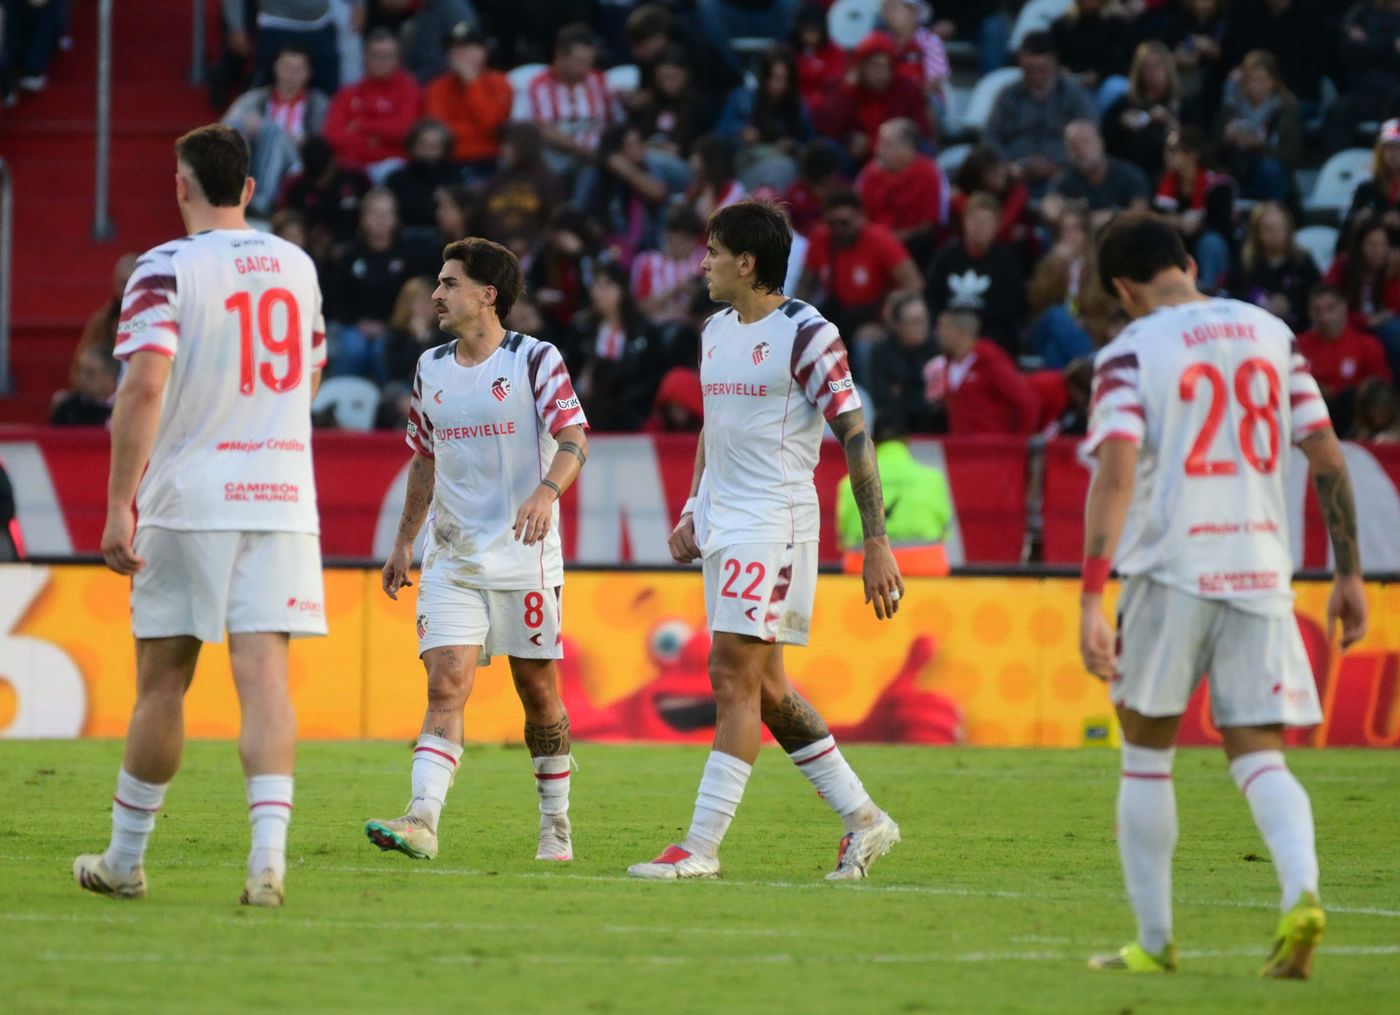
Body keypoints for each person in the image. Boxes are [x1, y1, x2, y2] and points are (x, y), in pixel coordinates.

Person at [1079, 212, 1367, 977]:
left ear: (1123, 287)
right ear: (1189, 264)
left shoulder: (1131, 349)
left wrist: (1089, 598)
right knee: (1259, 754)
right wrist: (1347, 573)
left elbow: (1116, 472)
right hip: (1262, 567)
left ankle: (1154, 940)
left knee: (1146, 751)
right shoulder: (1272, 333)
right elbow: (1329, 459)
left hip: (1170, 567)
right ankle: (1301, 893)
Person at [73, 124, 328, 907]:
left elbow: (144, 386)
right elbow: (311, 372)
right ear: (247, 188)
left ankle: (125, 859)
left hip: (192, 496)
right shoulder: (297, 265)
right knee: (266, 677)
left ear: (181, 185)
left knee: (163, 683)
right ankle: (267, 860)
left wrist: (120, 502)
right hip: (282, 495)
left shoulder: (165, 267)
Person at [628, 199, 904, 881]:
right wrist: (692, 507)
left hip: (774, 524)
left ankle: (700, 846)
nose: (703, 264)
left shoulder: (808, 333)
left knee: (730, 675)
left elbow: (855, 433)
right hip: (725, 524)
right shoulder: (715, 331)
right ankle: (865, 819)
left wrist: (876, 540)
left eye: (713, 252)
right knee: (770, 690)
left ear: (747, 263)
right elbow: (713, 425)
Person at [368, 237, 589, 865]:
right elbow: (424, 458)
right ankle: (422, 818)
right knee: (446, 683)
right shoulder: (430, 367)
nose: (436, 294)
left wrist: (546, 492)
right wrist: (404, 541)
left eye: (449, 283)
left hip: (526, 556)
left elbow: (575, 437)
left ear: (487, 295)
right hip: (453, 556)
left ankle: (555, 824)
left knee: (537, 692)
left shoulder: (535, 359)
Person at [836, 413, 952, 576]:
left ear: (872, 441)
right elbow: (945, 532)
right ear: (907, 440)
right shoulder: (933, 479)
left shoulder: (848, 484)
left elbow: (844, 539)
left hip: (868, 575)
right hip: (927, 570)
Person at [222, 45, 331, 219]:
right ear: (275, 68)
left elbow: (325, 146)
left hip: (300, 161)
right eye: (286, 67)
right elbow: (222, 133)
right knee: (238, 126)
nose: (291, 75)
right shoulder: (253, 99)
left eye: (298, 69)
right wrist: (248, 131)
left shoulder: (319, 103)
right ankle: (234, 197)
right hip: (255, 160)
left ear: (308, 73)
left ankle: (262, 200)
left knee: (273, 131)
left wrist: (302, 141)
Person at [984, 31, 1095, 195]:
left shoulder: (1075, 96)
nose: (1035, 75)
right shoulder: (1008, 95)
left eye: (1041, 69)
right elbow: (990, 135)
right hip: (1015, 172)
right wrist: (1007, 165)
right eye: (1029, 69)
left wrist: (1058, 164)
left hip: (1064, 172)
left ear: (1054, 64)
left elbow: (1090, 136)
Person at [798, 189, 922, 336]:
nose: (838, 229)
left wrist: (889, 316)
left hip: (874, 316)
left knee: (865, 341)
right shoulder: (820, 239)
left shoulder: (880, 240)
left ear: (860, 217)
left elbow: (915, 283)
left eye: (844, 223)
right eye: (832, 224)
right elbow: (805, 285)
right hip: (838, 313)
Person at [924, 191, 1027, 355]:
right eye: (975, 220)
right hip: (948, 331)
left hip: (990, 334)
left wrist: (971, 328)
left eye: (986, 222)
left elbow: (1012, 306)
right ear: (964, 221)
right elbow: (931, 299)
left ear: (997, 226)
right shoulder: (945, 257)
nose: (979, 227)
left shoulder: (1008, 261)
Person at [322, 28, 423, 183]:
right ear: (365, 57)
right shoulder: (347, 94)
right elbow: (332, 135)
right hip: (352, 167)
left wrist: (361, 126)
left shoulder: (409, 90)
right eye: (376, 55)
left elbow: (404, 131)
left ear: (398, 59)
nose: (382, 61)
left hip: (392, 166)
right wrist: (373, 141)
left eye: (388, 56)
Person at [924, 308, 1040, 434]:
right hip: (960, 443)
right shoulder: (948, 362)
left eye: (942, 326)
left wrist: (1021, 440)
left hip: (991, 443)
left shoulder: (989, 358)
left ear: (959, 331)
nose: (937, 333)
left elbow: (1026, 400)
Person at [1297, 283, 1393, 434]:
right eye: (1317, 310)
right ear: (1309, 312)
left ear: (1343, 307)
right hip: (1309, 420)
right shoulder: (1298, 346)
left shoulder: (1367, 345)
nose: (1325, 317)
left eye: (1330, 308)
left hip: (1354, 423)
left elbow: (1382, 391)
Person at [855, 117, 949, 265]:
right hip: (873, 242)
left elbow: (928, 226)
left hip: (911, 245)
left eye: (886, 144)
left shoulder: (929, 173)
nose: (877, 149)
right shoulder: (868, 175)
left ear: (907, 148)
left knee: (923, 242)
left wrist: (890, 240)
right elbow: (859, 217)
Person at [422, 20, 512, 174]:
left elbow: (493, 128)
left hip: (489, 160)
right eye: (452, 48)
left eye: (464, 48)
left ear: (483, 52)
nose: (456, 53)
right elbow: (439, 131)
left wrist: (471, 83)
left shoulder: (499, 82)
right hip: (449, 161)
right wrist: (471, 132)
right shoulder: (438, 86)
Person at [51, 344, 119, 427]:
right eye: (79, 370)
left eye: (90, 373)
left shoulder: (123, 407)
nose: (82, 378)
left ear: (111, 377)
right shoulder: (68, 406)